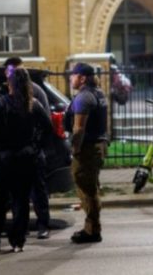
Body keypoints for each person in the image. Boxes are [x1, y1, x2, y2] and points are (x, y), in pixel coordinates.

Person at [0, 67, 53, 253]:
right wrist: (36, 146)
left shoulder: (0, 103)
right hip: (26, 158)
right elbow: (48, 128)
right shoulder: (33, 104)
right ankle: (18, 240)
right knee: (21, 200)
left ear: (9, 84)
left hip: (4, 158)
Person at [0, 57, 51, 239]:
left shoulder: (36, 92)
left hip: (30, 151)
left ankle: (43, 224)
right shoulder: (0, 94)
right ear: (6, 73)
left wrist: (37, 145)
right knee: (16, 193)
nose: (16, 75)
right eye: (12, 71)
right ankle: (19, 228)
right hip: (11, 152)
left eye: (19, 71)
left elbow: (45, 121)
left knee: (38, 189)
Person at [67, 62, 108, 244]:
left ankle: (92, 230)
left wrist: (75, 149)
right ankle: (91, 226)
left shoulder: (84, 97)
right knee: (90, 187)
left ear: (82, 78)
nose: (71, 78)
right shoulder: (98, 93)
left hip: (88, 148)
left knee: (86, 188)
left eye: (73, 75)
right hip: (97, 146)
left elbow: (78, 129)